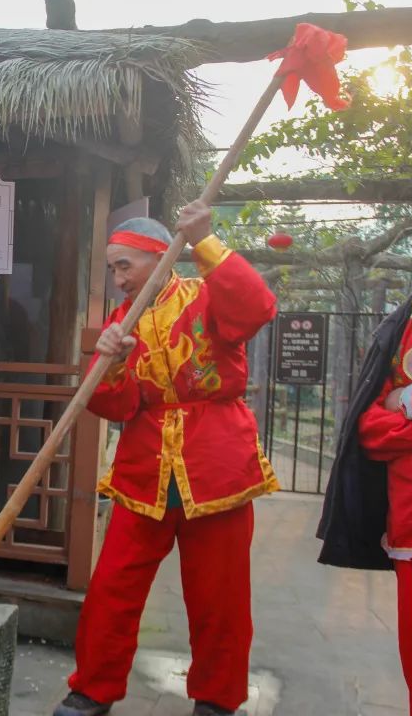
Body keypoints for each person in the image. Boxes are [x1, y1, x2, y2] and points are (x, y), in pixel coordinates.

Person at [54, 201, 279, 716]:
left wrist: (205, 241)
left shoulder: (207, 295)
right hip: (144, 470)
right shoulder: (121, 320)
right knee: (112, 587)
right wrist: (105, 365)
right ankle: (92, 688)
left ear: (161, 258)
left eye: (124, 266)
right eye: (112, 268)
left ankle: (218, 699)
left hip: (215, 470)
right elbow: (118, 406)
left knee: (218, 598)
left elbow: (256, 308)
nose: (117, 280)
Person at [319, 186, 412, 716]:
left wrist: (411, 398)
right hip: (411, 522)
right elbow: (370, 428)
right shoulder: (405, 322)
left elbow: (395, 406)